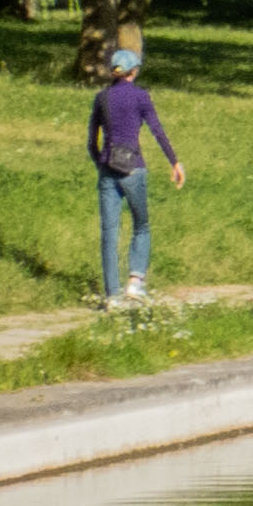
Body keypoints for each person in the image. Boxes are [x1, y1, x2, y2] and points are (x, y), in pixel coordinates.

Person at [89, 36, 186, 306]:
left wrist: (102, 164)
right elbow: (157, 130)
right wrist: (174, 162)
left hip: (108, 170)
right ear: (133, 72)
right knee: (141, 225)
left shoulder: (102, 98)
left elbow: (91, 142)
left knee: (109, 232)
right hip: (134, 169)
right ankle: (135, 283)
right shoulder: (141, 97)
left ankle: (112, 296)